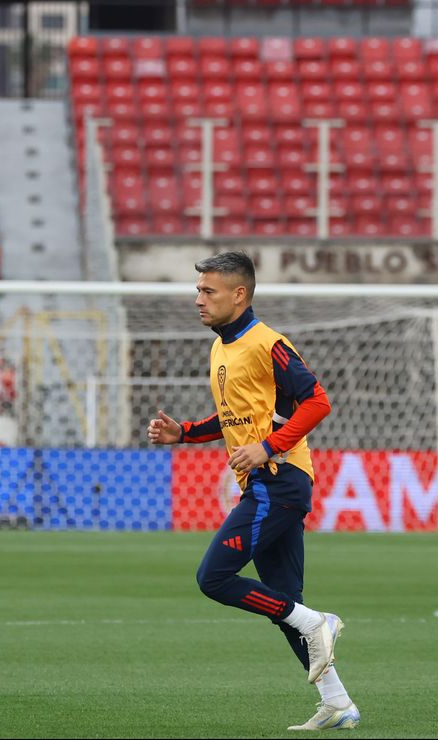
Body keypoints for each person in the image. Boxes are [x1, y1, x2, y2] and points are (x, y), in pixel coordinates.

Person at [145, 251, 360, 729]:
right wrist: (185, 433)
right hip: (267, 483)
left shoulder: (268, 343)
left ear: (238, 294)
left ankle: (317, 622)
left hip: (278, 482)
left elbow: (317, 401)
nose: (197, 299)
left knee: (215, 578)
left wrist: (269, 447)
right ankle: (339, 703)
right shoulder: (221, 348)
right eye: (198, 290)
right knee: (285, 601)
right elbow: (233, 419)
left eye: (208, 291)